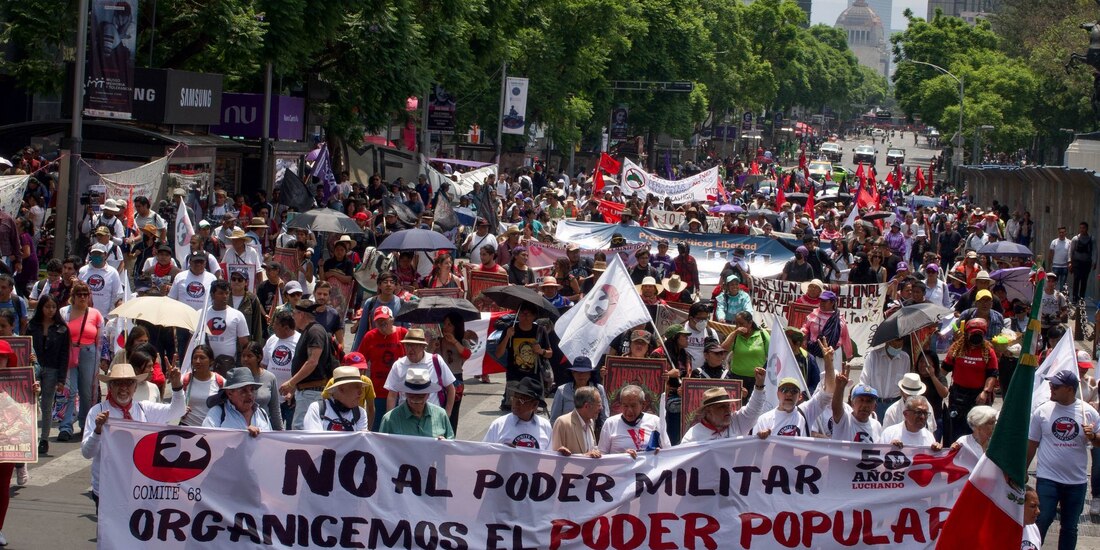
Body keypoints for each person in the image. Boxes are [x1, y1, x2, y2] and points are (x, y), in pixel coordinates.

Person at [81, 362, 185, 510]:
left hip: (139, 488)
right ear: (110, 387)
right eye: (118, 383)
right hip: (108, 489)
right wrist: (97, 431)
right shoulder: (97, 412)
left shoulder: (144, 409)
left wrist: (176, 386)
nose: (123, 388)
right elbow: (87, 453)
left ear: (135, 387)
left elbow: (178, 410)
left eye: (129, 383)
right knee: (110, 532)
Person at [1027, 370, 1100, 550]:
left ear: (1069, 389)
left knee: (1069, 528)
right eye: (1051, 385)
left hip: (1076, 481)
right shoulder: (1042, 411)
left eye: (1056, 386)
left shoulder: (1088, 412)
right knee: (1041, 521)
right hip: (1047, 479)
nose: (1051, 388)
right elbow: (1032, 443)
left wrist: (1093, 437)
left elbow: (1099, 442)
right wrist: (1023, 470)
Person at [754, 341, 836, 439]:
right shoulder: (764, 420)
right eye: (784, 390)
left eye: (794, 391)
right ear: (777, 394)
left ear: (800, 396)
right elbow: (756, 450)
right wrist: (761, 438)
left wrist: (828, 362)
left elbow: (829, 392)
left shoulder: (806, 412)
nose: (789, 394)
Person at [57, 281, 104, 441]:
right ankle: (65, 426)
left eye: (86, 294)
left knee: (87, 391)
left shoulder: (96, 314)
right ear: (73, 296)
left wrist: (101, 361)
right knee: (70, 391)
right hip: (69, 353)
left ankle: (86, 424)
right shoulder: (64, 312)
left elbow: (100, 340)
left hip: (89, 353)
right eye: (79, 294)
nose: (83, 297)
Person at [280, 300, 338, 430]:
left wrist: (291, 383)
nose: (293, 317)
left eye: (294, 314)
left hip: (312, 393)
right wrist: (295, 388)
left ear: (301, 314)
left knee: (302, 429)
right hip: (306, 392)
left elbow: (312, 361)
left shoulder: (315, 331)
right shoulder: (309, 331)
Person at [942, 318, 998, 444]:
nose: (976, 337)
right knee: (955, 428)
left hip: (978, 395)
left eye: (979, 334)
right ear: (967, 334)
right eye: (973, 334)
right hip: (958, 395)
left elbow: (993, 374)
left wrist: (985, 392)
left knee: (976, 428)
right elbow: (944, 370)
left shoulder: (988, 351)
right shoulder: (956, 348)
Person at [680, 368, 768, 444]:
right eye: (721, 407)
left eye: (728, 405)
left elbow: (754, 409)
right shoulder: (692, 437)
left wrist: (759, 386)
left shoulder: (737, 421)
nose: (728, 409)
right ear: (708, 411)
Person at [28, 294, 68, 454]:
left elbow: (65, 355)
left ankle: (44, 439)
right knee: (30, 404)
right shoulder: (32, 326)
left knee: (46, 406)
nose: (50, 310)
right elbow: (26, 346)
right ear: (41, 308)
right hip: (34, 368)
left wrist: (61, 379)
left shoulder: (62, 328)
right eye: (47, 307)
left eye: (53, 307)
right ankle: (28, 438)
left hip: (52, 370)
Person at [356, 305, 407, 431]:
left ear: (392, 320)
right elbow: (360, 361)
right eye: (379, 323)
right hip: (378, 390)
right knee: (378, 427)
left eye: (385, 322)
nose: (382, 326)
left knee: (399, 428)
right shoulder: (370, 336)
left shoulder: (403, 333)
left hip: (400, 391)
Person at [495, 305, 551, 409]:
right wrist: (507, 336)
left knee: (532, 408)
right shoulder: (510, 329)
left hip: (534, 378)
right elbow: (498, 354)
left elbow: (550, 353)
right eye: (522, 314)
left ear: (534, 316)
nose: (525, 317)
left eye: (528, 314)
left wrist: (541, 351)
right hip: (514, 377)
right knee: (514, 408)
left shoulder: (539, 330)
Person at [377, 368, 454, 439]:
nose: (416, 398)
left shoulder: (441, 414)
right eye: (411, 394)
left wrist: (445, 443)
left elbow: (451, 443)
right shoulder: (389, 419)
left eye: (421, 395)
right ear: (405, 393)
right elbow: (381, 448)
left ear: (428, 394)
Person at [598, 385, 670, 457]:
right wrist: (623, 456)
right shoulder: (610, 423)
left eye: (633, 406)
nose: (629, 410)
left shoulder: (655, 421)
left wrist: (659, 453)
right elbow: (602, 456)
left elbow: (668, 451)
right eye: (625, 406)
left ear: (643, 405)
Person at [483, 378, 553, 449]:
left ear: (534, 405)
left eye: (521, 400)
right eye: (514, 397)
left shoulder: (545, 426)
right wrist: (501, 451)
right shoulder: (498, 425)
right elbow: (484, 453)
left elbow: (550, 456)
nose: (515, 403)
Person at [202, 367, 271, 436]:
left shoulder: (262, 413)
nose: (250, 394)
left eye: (252, 389)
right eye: (243, 390)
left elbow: (271, 442)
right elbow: (206, 440)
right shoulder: (217, 413)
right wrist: (242, 435)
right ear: (229, 393)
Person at [303, 366, 370, 432]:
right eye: (357, 387)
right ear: (341, 389)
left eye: (361, 388)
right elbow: (314, 440)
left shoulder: (360, 413)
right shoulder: (317, 409)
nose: (361, 392)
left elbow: (360, 442)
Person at [857, 338, 910, 420]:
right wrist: (867, 403)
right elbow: (864, 382)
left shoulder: (905, 358)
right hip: (875, 404)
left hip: (895, 405)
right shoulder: (873, 356)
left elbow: (905, 384)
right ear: (888, 341)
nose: (897, 348)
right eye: (895, 345)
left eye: (899, 346)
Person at [262, 310, 299, 425]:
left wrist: (294, 389)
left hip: (292, 399)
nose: (273, 328)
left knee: (291, 434)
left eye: (276, 325)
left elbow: (305, 369)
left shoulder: (300, 341)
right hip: (273, 399)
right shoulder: (272, 339)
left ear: (286, 328)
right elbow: (263, 364)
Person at [549, 357, 610, 426]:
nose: (581, 375)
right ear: (572, 373)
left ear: (590, 374)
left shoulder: (599, 389)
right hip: (567, 432)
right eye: (577, 372)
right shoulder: (562, 390)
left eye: (584, 372)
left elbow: (604, 417)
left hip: (590, 432)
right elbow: (554, 419)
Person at [240, 341, 283, 431]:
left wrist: (280, 432)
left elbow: (274, 408)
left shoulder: (270, 377)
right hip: (241, 428)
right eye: (243, 356)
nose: (245, 359)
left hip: (263, 429)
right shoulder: (237, 378)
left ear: (259, 358)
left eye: (249, 356)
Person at [203, 279, 250, 363]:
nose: (225, 296)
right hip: (206, 364)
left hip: (229, 364)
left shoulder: (237, 315)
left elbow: (244, 343)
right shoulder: (202, 314)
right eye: (221, 293)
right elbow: (192, 340)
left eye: (227, 293)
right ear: (212, 295)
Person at [830, 371, 883, 443]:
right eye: (861, 400)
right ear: (852, 404)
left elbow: (880, 450)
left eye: (869, 401)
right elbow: (836, 408)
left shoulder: (876, 426)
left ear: (874, 407)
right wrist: (840, 388)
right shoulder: (844, 420)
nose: (864, 405)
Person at [552, 385, 603, 457]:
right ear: (587, 406)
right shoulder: (563, 423)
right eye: (599, 404)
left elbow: (591, 451)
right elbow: (555, 457)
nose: (601, 408)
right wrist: (584, 457)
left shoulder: (591, 422)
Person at [180, 344, 223, 426]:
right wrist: (180, 410)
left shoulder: (220, 382)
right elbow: (173, 405)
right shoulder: (184, 380)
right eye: (195, 358)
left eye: (202, 358)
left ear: (211, 361)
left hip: (211, 431)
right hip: (187, 429)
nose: (197, 361)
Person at [229, 269, 265, 344]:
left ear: (246, 282)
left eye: (240, 280)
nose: (236, 282)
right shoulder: (224, 298)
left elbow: (257, 327)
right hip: (227, 344)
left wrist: (256, 348)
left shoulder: (252, 299)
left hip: (244, 345)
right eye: (233, 279)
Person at [1070, 221, 1094, 302]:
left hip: (1087, 263)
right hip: (1077, 262)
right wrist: (1070, 262)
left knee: (1084, 280)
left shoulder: (1091, 239)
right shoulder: (1075, 239)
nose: (1082, 229)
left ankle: (1081, 297)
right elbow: (1071, 251)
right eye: (1080, 228)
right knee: (1076, 279)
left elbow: (1095, 251)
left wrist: (1095, 261)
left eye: (1083, 228)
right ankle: (1074, 297)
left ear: (1087, 228)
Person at [1048, 226, 1071, 292]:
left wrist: (1070, 264)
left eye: (1063, 232)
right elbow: (1050, 254)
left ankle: (1061, 300)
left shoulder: (1069, 242)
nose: (1061, 234)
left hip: (1065, 267)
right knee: (1053, 285)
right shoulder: (1054, 242)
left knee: (1062, 286)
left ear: (1065, 233)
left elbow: (1070, 255)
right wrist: (1049, 266)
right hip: (1055, 267)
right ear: (1058, 233)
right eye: (1060, 232)